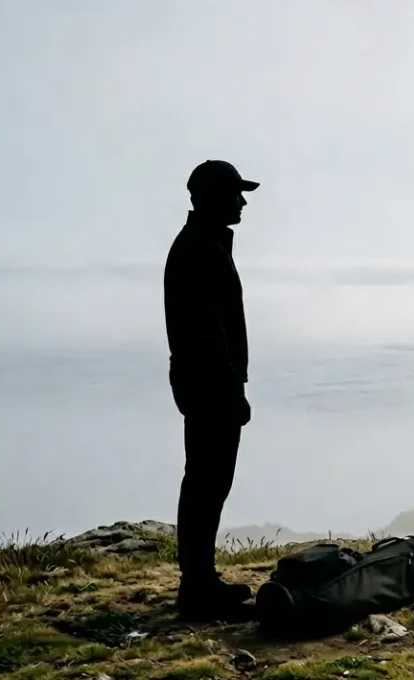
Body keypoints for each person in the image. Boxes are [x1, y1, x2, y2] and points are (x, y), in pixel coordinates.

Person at [163, 159, 259, 617]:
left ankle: (201, 581)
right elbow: (208, 331)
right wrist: (232, 390)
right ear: (211, 197)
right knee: (207, 482)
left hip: (204, 383)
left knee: (206, 481)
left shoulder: (204, 245)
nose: (242, 202)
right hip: (210, 386)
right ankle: (197, 589)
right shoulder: (200, 249)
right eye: (235, 194)